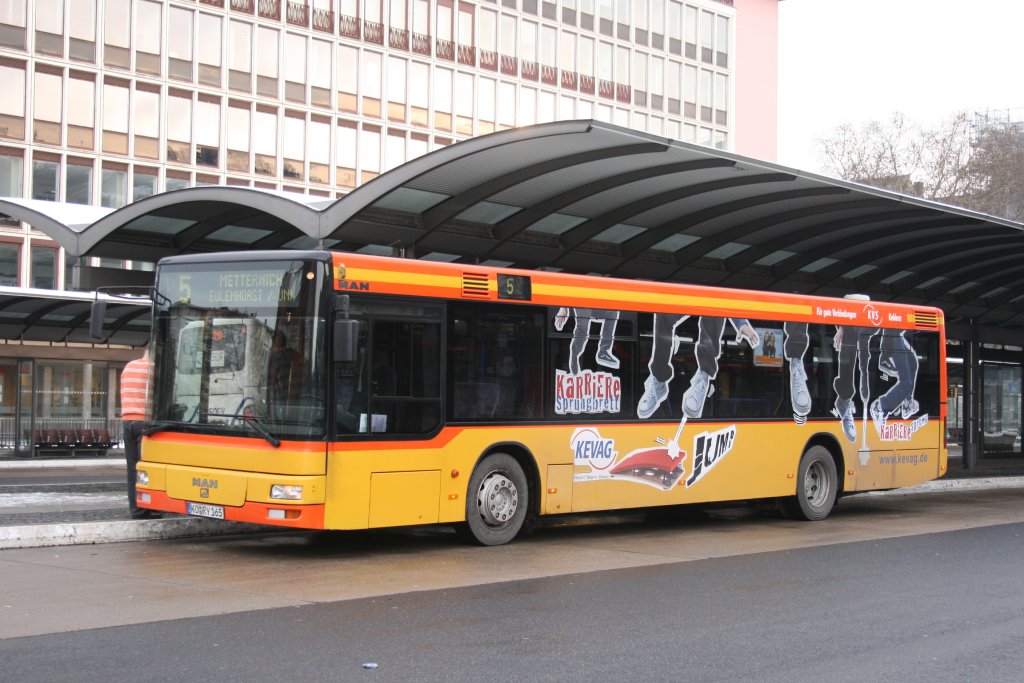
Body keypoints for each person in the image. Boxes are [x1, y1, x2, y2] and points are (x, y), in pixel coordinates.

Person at [121, 347, 159, 519]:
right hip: (145, 422)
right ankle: (149, 508)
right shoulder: (153, 370)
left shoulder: (129, 367)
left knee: (132, 469)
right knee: (146, 468)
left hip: (127, 420)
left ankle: (136, 509)